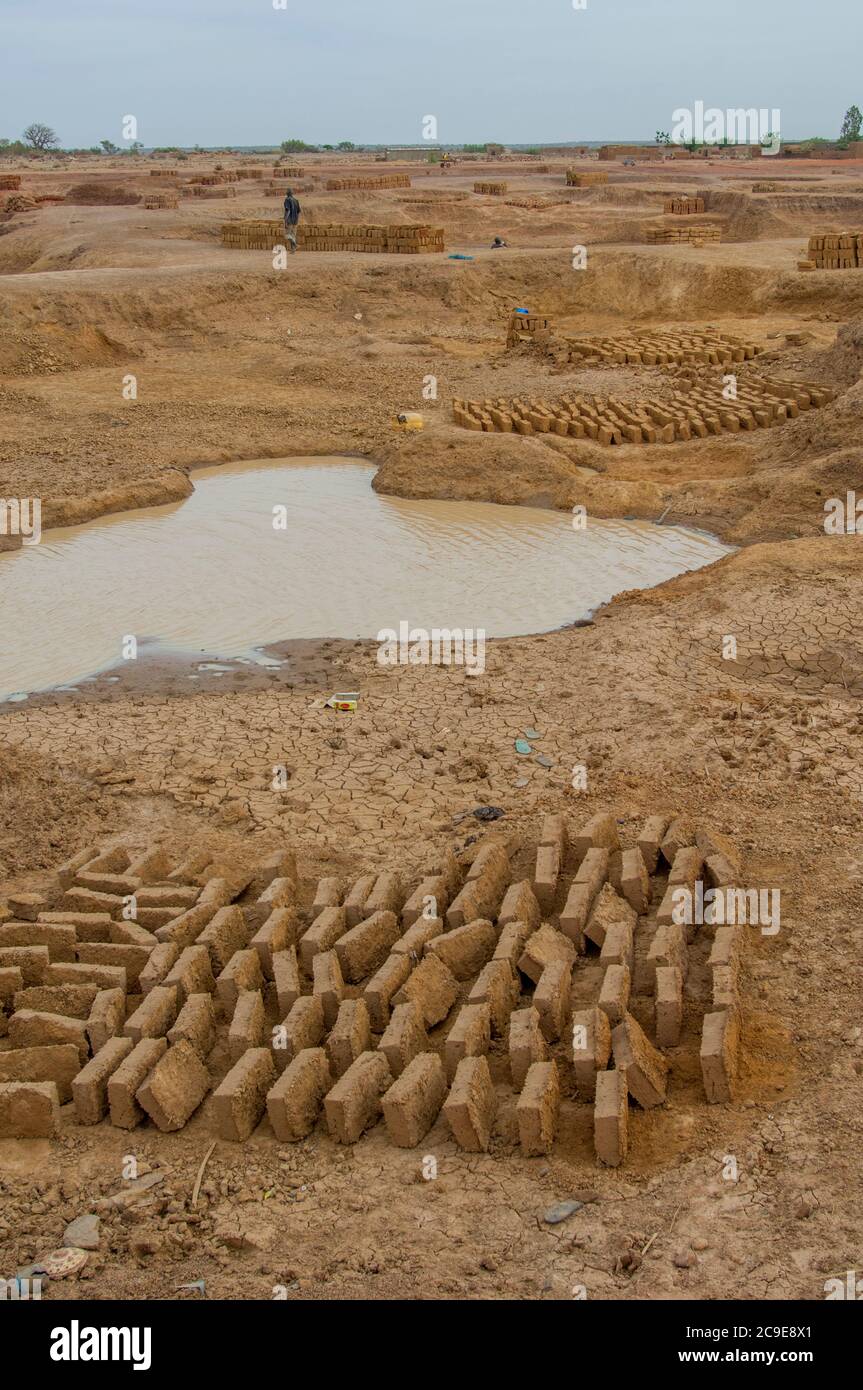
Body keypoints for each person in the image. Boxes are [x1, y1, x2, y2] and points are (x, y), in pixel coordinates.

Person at [283, 188, 301, 253]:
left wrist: (285, 220)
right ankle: (293, 250)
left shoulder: (287, 200)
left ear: (287, 193)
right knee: (293, 235)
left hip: (290, 220)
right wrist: (297, 220)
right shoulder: (296, 200)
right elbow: (299, 212)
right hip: (295, 221)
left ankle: (295, 245)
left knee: (287, 235)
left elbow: (288, 211)